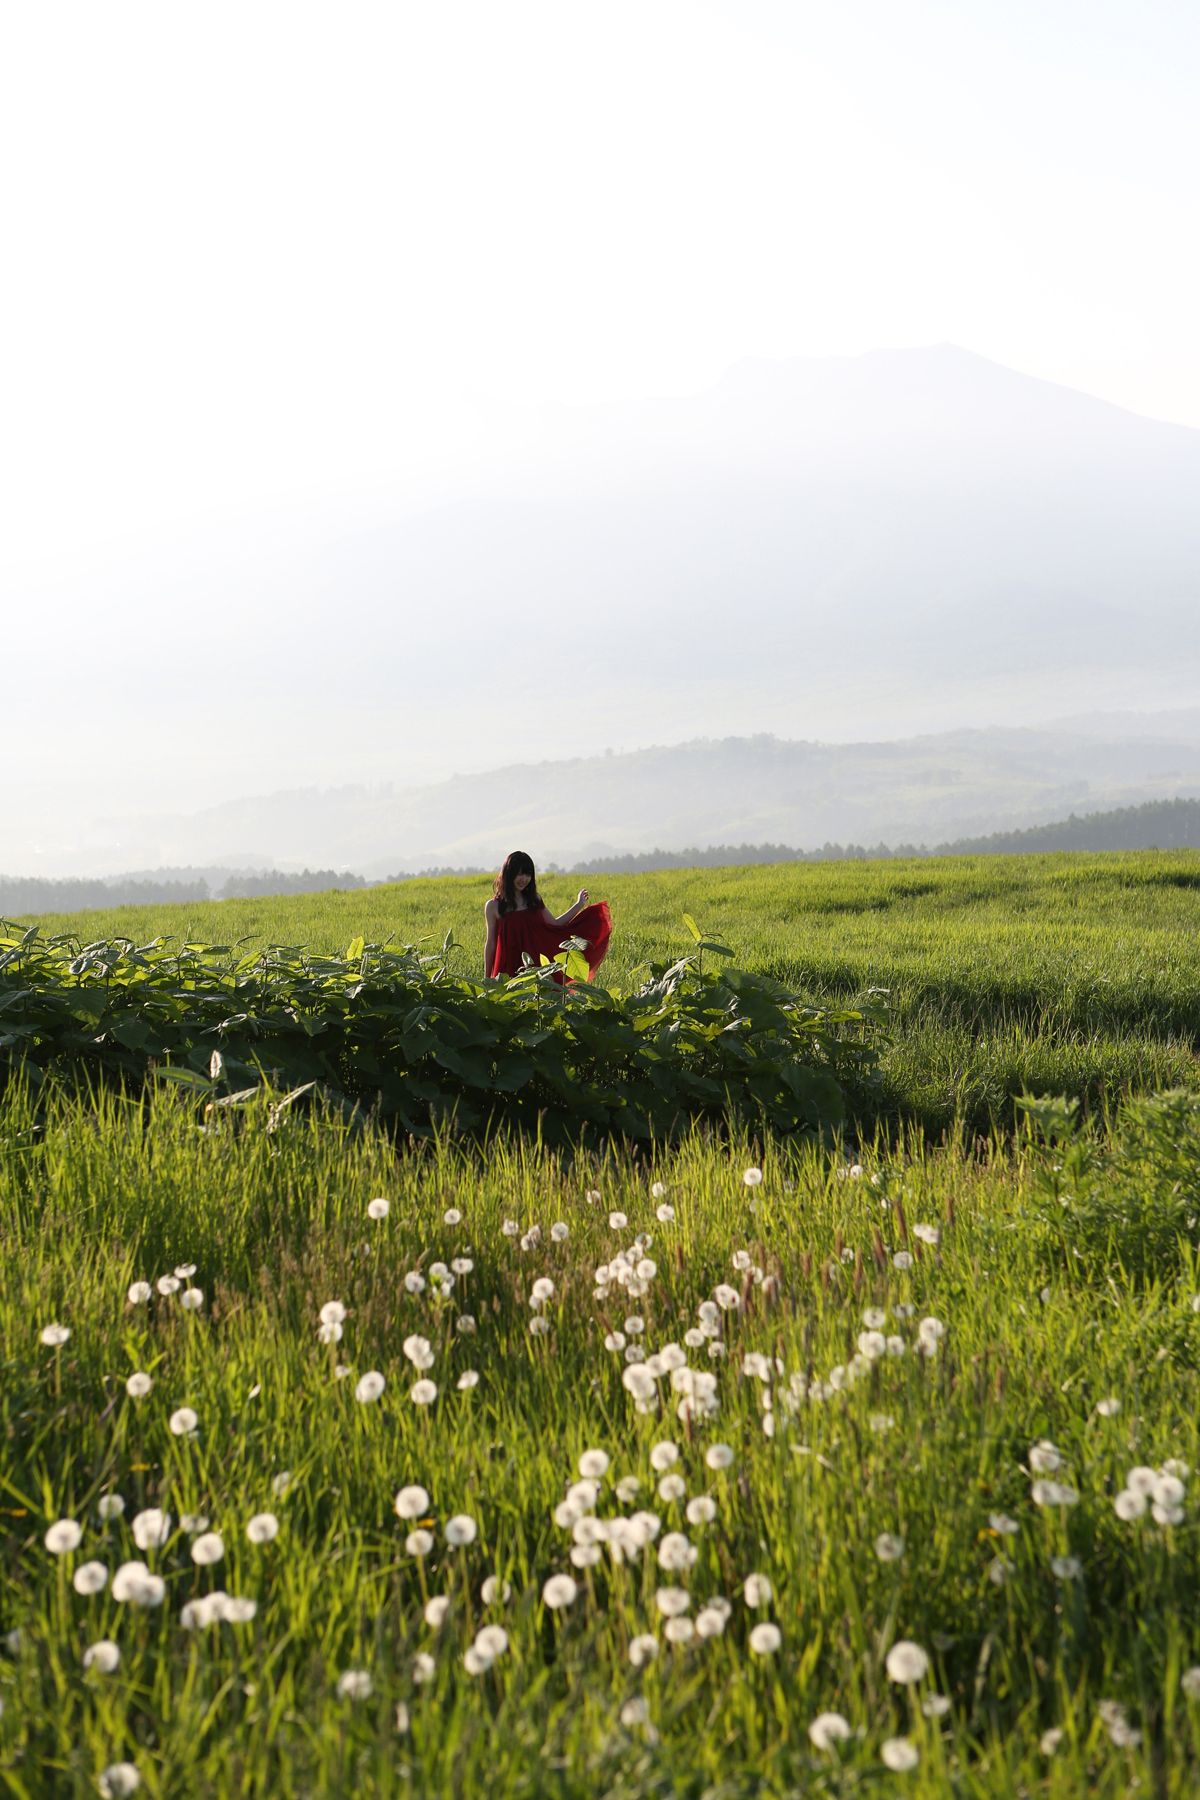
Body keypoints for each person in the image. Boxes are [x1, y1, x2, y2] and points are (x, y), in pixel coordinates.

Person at [484, 850, 612, 980]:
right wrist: (486, 977)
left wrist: (579, 904)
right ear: (508, 874)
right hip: (507, 966)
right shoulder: (493, 906)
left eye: (528, 875)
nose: (524, 879)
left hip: (535, 966)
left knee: (540, 998)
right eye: (519, 874)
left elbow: (555, 924)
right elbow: (491, 944)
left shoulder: (534, 900)